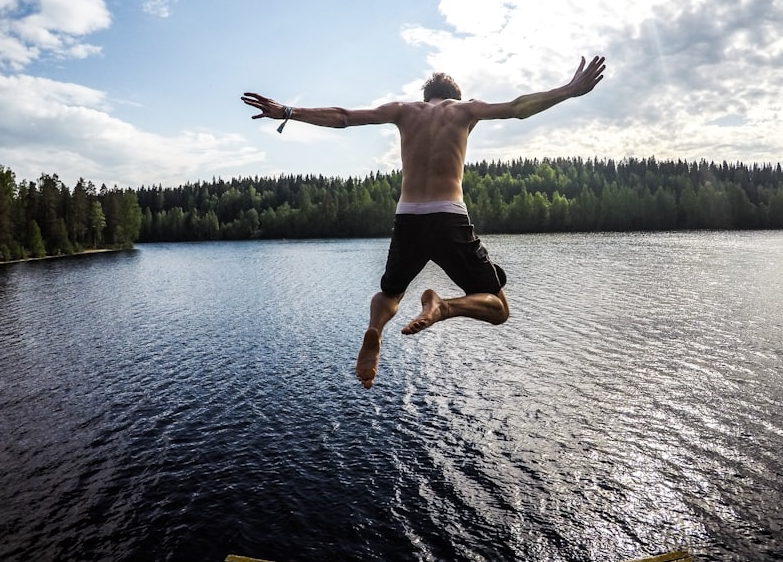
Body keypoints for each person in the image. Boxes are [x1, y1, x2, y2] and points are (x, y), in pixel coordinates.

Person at [242, 55, 606, 388]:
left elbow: (344, 117)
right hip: (449, 216)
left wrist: (288, 111)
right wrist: (569, 90)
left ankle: (374, 329)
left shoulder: (403, 111)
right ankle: (443, 307)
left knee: (390, 293)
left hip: (409, 218)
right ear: (454, 96)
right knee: (498, 307)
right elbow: (517, 109)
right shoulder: (466, 110)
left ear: (427, 95)